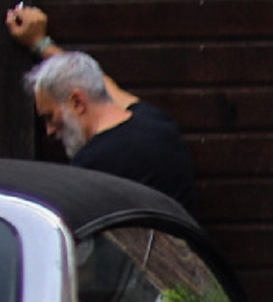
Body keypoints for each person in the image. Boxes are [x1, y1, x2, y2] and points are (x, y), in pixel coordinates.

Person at [22, 48, 199, 212]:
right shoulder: (156, 120)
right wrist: (41, 44)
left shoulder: (91, 165)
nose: (49, 131)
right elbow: (106, 85)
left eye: (50, 116)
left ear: (77, 102)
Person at [6, 4, 139, 109]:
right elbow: (107, 93)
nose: (50, 131)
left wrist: (40, 44)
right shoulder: (148, 122)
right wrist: (40, 44)